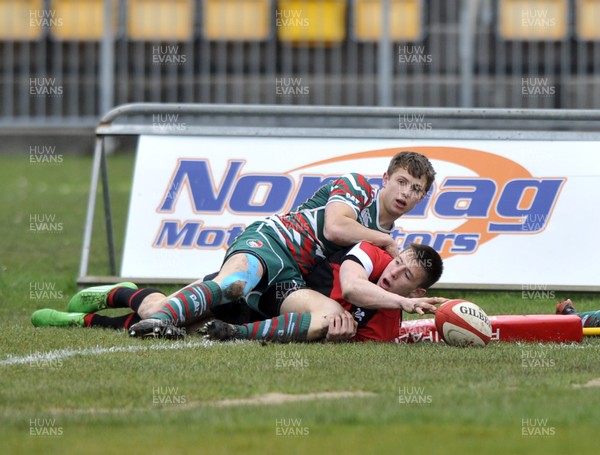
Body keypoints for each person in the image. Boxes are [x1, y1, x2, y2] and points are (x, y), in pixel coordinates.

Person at [123, 151, 441, 342]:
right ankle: (155, 319)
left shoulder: (389, 249)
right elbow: (335, 226)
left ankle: (231, 335)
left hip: (292, 280)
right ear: (385, 178)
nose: (406, 193)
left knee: (327, 316)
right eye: (401, 181)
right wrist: (384, 239)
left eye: (416, 190)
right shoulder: (358, 186)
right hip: (274, 241)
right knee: (234, 283)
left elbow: (354, 286)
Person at [31, 242, 444, 343]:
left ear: (419, 287)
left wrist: (342, 337)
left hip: (264, 317)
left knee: (167, 325)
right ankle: (124, 292)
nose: (396, 273)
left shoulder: (388, 323)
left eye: (407, 276)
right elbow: (354, 286)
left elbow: (354, 346)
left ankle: (79, 320)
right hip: (256, 285)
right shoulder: (370, 254)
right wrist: (405, 302)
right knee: (161, 309)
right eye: (399, 262)